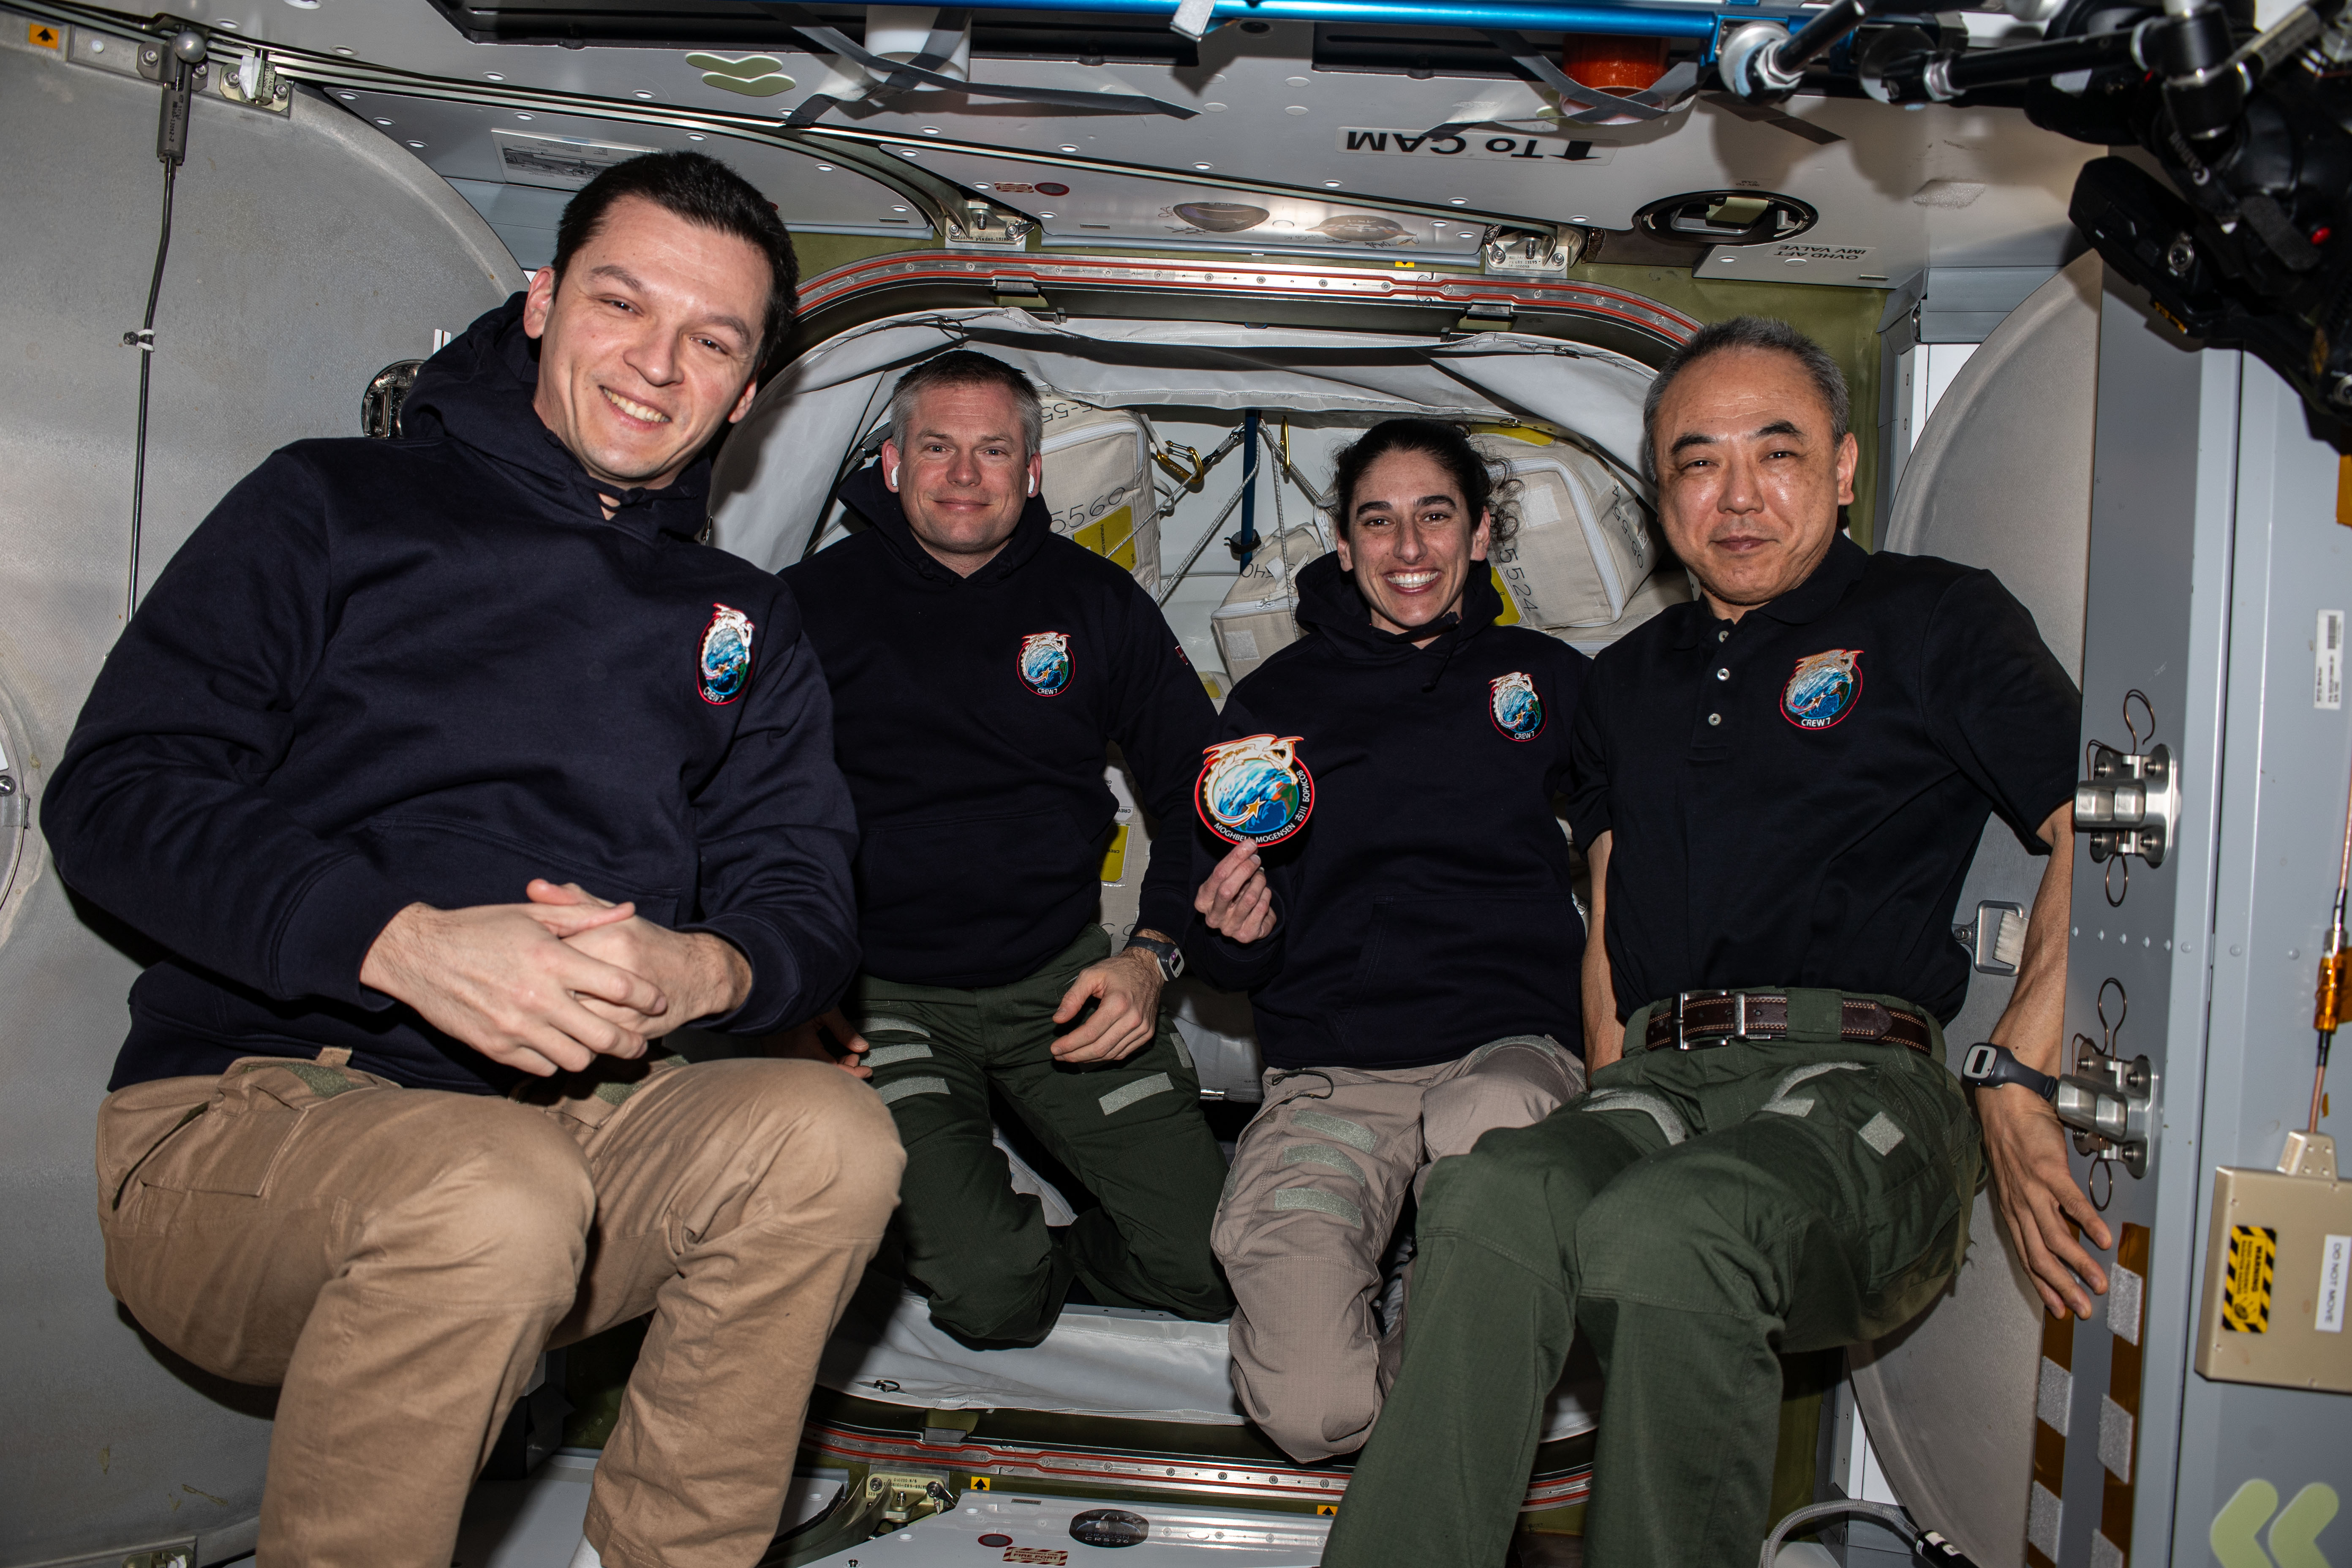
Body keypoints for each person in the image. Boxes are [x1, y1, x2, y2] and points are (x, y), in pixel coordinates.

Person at [43, 152, 904, 1568]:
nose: (657, 364)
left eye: (711, 341)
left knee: (833, 1140)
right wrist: (403, 942)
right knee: (493, 1187)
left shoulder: (742, 619)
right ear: (542, 302)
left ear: (749, 391)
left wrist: (696, 970)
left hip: (573, 1141)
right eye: (622, 304)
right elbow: (119, 798)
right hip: (253, 1124)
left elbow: (804, 898)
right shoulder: (332, 505)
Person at [1323, 317, 2103, 1567]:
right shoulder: (1626, 681)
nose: (1737, 496)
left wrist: (2014, 1077)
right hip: (1664, 1078)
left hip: (1861, 1087)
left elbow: (2093, 827)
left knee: (1672, 1221)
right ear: (1659, 490)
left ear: (1842, 468)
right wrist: (1602, 1095)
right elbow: (1609, 906)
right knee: (1488, 1194)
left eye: (1776, 453)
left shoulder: (1935, 617)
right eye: (1698, 461)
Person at [776, 350, 1230, 1345]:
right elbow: (736, 803)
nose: (964, 474)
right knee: (990, 1297)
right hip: (880, 1000)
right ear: (893, 462)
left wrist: (1152, 956)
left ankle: (1036, 1248)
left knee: (1209, 1266)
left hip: (1060, 982)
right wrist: (788, 991)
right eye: (938, 447)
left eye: (993, 451)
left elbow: (1202, 790)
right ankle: (971, 1245)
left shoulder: (1098, 603)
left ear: (1032, 471)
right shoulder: (806, 608)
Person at [1186, 418, 1590, 1463]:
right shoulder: (1274, 705)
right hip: (1339, 1071)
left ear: (1481, 533)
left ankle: (1445, 1292)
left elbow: (1637, 838)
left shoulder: (1544, 679)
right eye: (1378, 520)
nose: (1409, 547)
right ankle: (1431, 1323)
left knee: (1487, 1119)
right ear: (1343, 541)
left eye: (1435, 515)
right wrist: (1235, 933)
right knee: (1312, 1409)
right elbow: (1228, 943)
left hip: (1507, 1048)